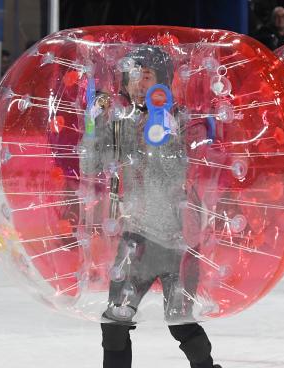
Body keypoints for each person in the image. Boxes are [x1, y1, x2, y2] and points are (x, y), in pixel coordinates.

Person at [78, 46, 222, 368]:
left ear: (163, 82)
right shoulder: (119, 123)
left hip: (176, 241)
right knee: (115, 322)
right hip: (135, 239)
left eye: (147, 77)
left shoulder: (180, 120)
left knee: (181, 323)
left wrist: (160, 134)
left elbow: (178, 174)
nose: (138, 84)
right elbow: (90, 165)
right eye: (132, 76)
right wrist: (92, 125)